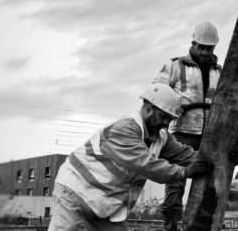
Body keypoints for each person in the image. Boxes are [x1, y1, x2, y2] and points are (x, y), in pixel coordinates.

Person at [47, 83, 215, 231]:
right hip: (75, 189)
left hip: (103, 202)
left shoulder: (161, 137)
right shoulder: (125, 128)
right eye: (164, 117)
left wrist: (220, 158)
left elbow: (185, 155)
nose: (167, 123)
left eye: (170, 119)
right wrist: (184, 173)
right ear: (149, 109)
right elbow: (145, 164)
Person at [153, 21, 222, 231]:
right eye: (201, 47)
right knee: (176, 182)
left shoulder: (220, 72)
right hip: (182, 133)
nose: (204, 52)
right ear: (193, 43)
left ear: (214, 48)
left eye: (209, 48)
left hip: (209, 135)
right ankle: (171, 226)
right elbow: (157, 91)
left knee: (211, 181)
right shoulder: (175, 66)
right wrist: (174, 104)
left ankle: (204, 225)